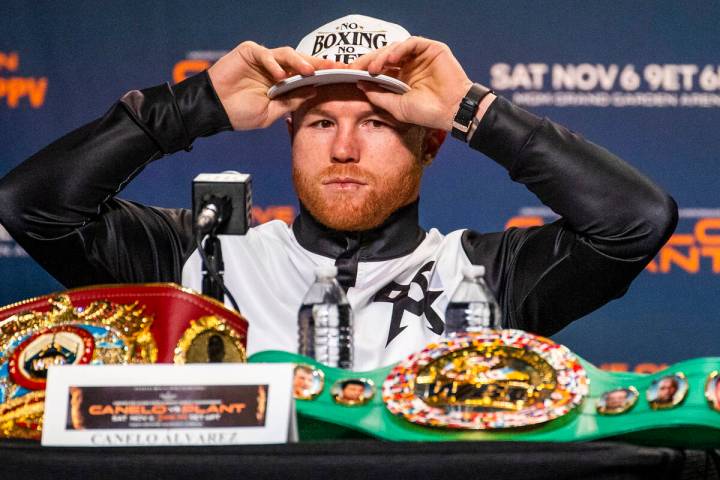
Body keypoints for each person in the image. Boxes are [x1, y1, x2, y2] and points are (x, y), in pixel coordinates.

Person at [0, 15, 677, 371]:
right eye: (321, 122)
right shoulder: (196, 259)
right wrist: (193, 104)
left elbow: (635, 221)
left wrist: (474, 110)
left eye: (377, 123)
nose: (344, 148)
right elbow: (31, 205)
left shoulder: (488, 276)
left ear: (430, 142)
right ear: (291, 133)